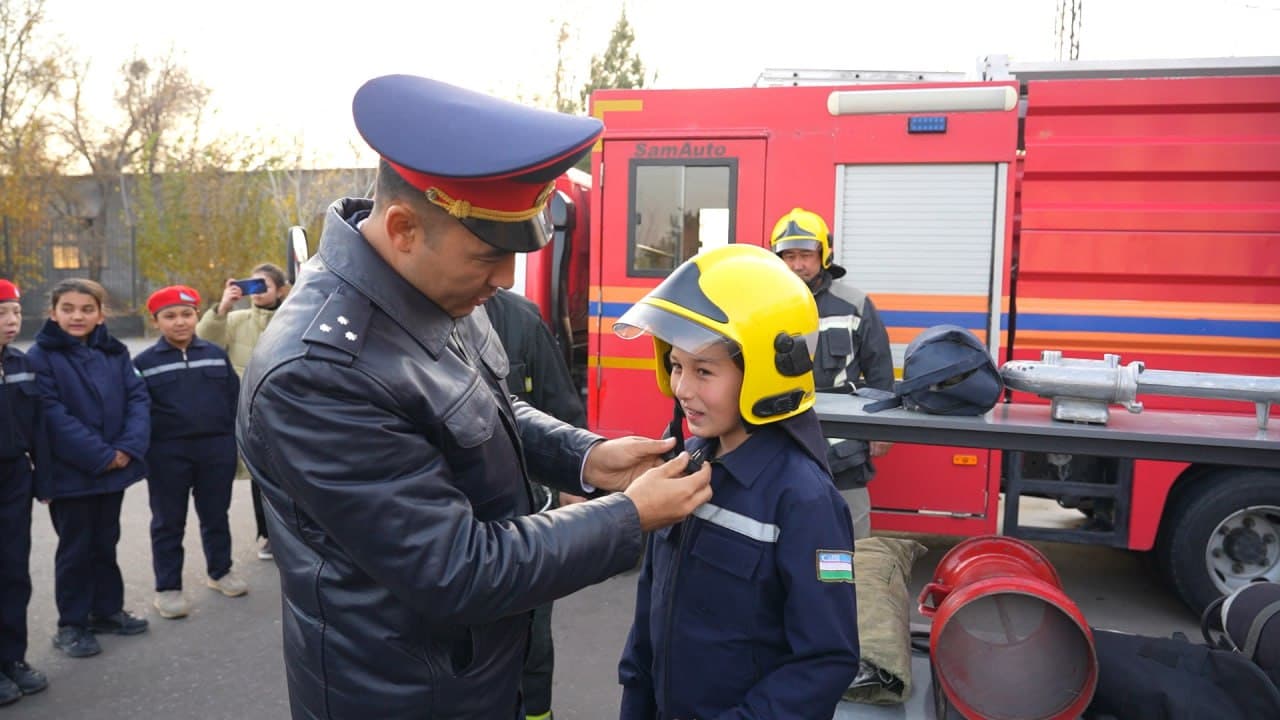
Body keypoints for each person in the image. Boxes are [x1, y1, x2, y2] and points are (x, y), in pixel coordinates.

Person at [236, 73, 713, 720]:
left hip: (470, 671)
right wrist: (628, 516)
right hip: (403, 696)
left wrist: (584, 457)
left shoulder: (431, 284)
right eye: (488, 255)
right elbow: (456, 570)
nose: (506, 279)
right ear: (403, 227)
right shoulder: (319, 373)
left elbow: (480, 408)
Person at [614, 243, 861, 719]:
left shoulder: (805, 500)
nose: (683, 388)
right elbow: (649, 616)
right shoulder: (683, 470)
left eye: (704, 371)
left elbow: (827, 659)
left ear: (766, 374)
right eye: (677, 366)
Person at [26, 279, 150, 658]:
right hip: (72, 474)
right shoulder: (40, 356)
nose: (77, 316)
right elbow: (51, 414)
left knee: (105, 542)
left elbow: (138, 397)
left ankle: (106, 610)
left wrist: (127, 447)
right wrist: (101, 455)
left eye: (86, 309)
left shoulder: (113, 352)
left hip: (113, 468)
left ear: (100, 314)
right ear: (53, 313)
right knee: (76, 549)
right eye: (68, 309)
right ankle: (72, 624)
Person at [486, 287, 586, 720]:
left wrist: (578, 479)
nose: (502, 273)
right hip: (453, 528)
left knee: (531, 643)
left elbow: (559, 406)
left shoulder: (521, 319)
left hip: (523, 520)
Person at [771, 207, 894, 539]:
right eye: (789, 255)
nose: (798, 265)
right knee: (785, 536)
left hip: (844, 451)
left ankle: (850, 591)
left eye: (806, 255)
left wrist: (881, 430)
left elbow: (880, 369)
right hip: (781, 441)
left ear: (824, 255)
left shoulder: (854, 303)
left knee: (851, 539)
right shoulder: (763, 305)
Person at [134, 286, 247, 620]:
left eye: (186, 314)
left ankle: (220, 571)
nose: (180, 322)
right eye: (170, 316)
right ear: (156, 322)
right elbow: (139, 410)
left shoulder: (214, 353)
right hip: (167, 454)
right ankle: (168, 588)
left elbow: (233, 399)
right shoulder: (144, 363)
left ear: (197, 315)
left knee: (216, 515)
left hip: (215, 449)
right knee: (168, 522)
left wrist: (233, 441)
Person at [197, 262, 288, 561]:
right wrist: (222, 307)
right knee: (258, 477)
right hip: (249, 410)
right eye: (253, 285)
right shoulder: (235, 320)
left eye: (264, 285)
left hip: (287, 408)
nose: (257, 292)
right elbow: (205, 342)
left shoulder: (293, 317)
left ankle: (295, 535)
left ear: (280, 289)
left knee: (291, 476)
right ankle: (268, 536)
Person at [0, 279, 50, 705]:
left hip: (14, 478)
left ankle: (12, 658)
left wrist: (45, 479)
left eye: (15, 312)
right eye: (2, 313)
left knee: (14, 573)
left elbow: (37, 430)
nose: (11, 321)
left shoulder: (20, 364)